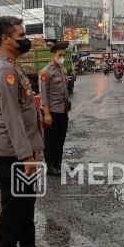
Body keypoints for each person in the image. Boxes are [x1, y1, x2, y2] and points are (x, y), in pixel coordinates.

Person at [0, 16, 57, 247]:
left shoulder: (12, 66)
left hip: (22, 151)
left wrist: (32, 151)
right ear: (5, 39)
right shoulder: (4, 70)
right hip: (13, 153)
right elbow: (12, 117)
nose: (24, 40)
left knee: (26, 204)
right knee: (13, 208)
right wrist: (27, 155)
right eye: (20, 35)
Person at [39, 42, 70, 177]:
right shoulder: (46, 72)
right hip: (52, 112)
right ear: (53, 54)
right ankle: (50, 166)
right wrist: (46, 114)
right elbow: (43, 95)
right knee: (51, 139)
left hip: (63, 111)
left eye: (63, 55)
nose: (62, 57)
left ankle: (58, 163)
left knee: (60, 139)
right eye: (60, 55)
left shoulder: (62, 70)